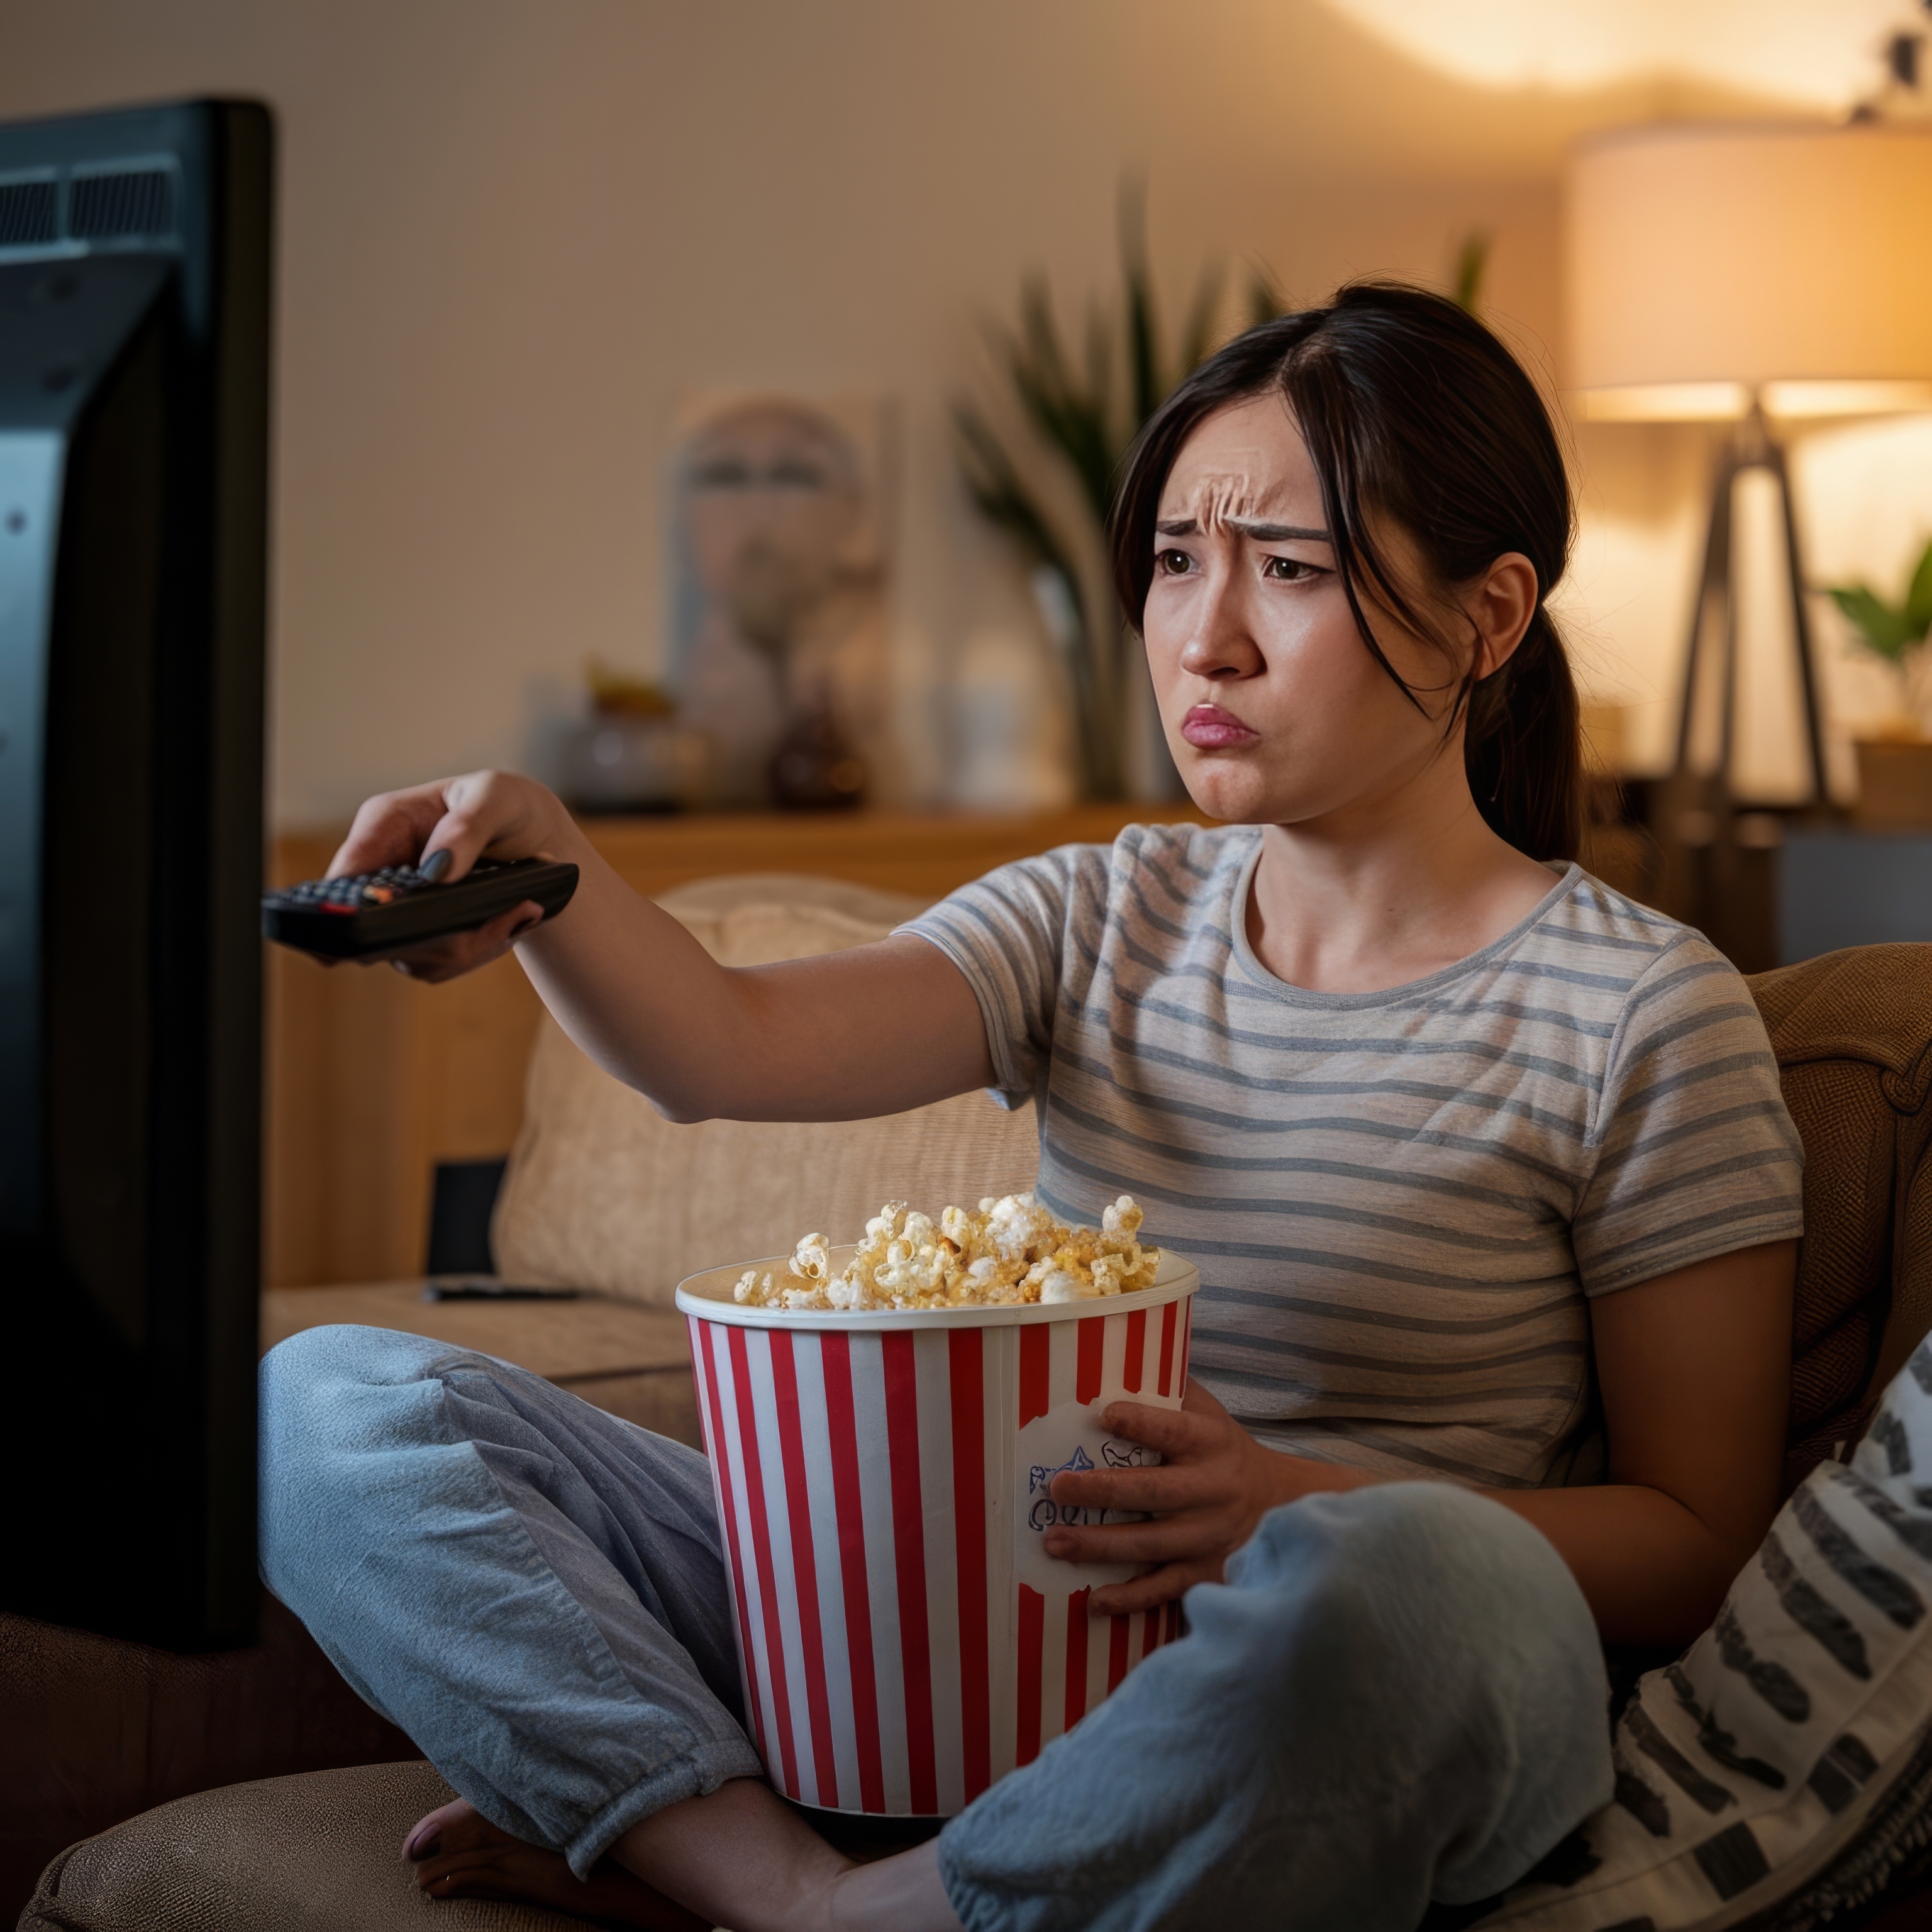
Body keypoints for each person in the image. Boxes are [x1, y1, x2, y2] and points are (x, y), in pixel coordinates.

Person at [260, 284, 1803, 1932]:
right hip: (995, 1625)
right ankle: (776, 1885)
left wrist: (1288, 1500)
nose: (1206, 636)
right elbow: (726, 1044)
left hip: (1331, 1667)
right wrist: (549, 880)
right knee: (325, 1410)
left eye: (1287, 569)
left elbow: (1698, 1542)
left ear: (1492, 618)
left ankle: (852, 1881)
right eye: (1173, 565)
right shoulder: (1104, 914)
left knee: (1418, 1591)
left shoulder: (1645, 1013)